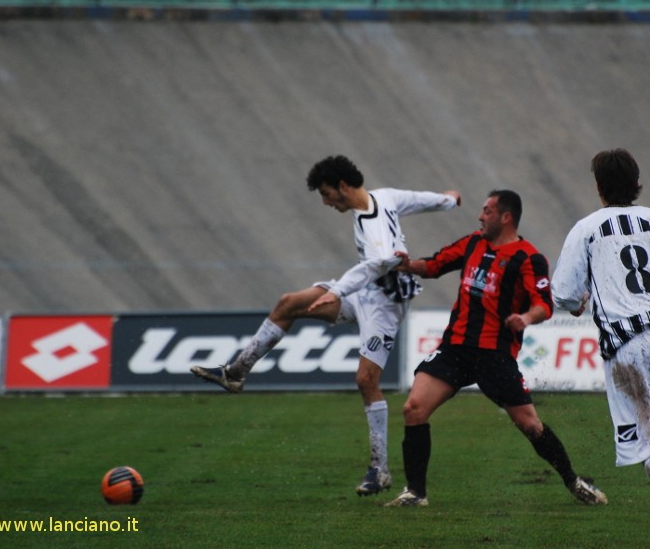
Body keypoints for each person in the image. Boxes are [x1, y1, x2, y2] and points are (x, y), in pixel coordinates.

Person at [191, 155, 461, 497]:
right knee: (289, 303)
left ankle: (380, 470)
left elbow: (375, 266)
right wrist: (448, 200)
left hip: (384, 307)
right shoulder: (384, 196)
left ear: (343, 186)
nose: (325, 201)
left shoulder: (374, 226)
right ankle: (236, 372)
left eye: (326, 193)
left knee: (366, 380)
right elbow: (418, 199)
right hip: (362, 292)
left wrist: (335, 291)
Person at [384, 189, 607, 508]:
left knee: (530, 424)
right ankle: (415, 493)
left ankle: (573, 480)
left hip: (494, 356)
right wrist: (406, 266)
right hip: (455, 349)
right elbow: (434, 265)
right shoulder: (473, 242)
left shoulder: (528, 258)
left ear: (506, 217)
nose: (480, 216)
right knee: (413, 408)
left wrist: (525, 317)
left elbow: (543, 303)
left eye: (486, 211)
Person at [551, 149, 650, 549]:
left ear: (599, 188)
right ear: (637, 182)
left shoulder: (588, 228)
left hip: (629, 346)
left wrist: (577, 305)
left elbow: (562, 292)